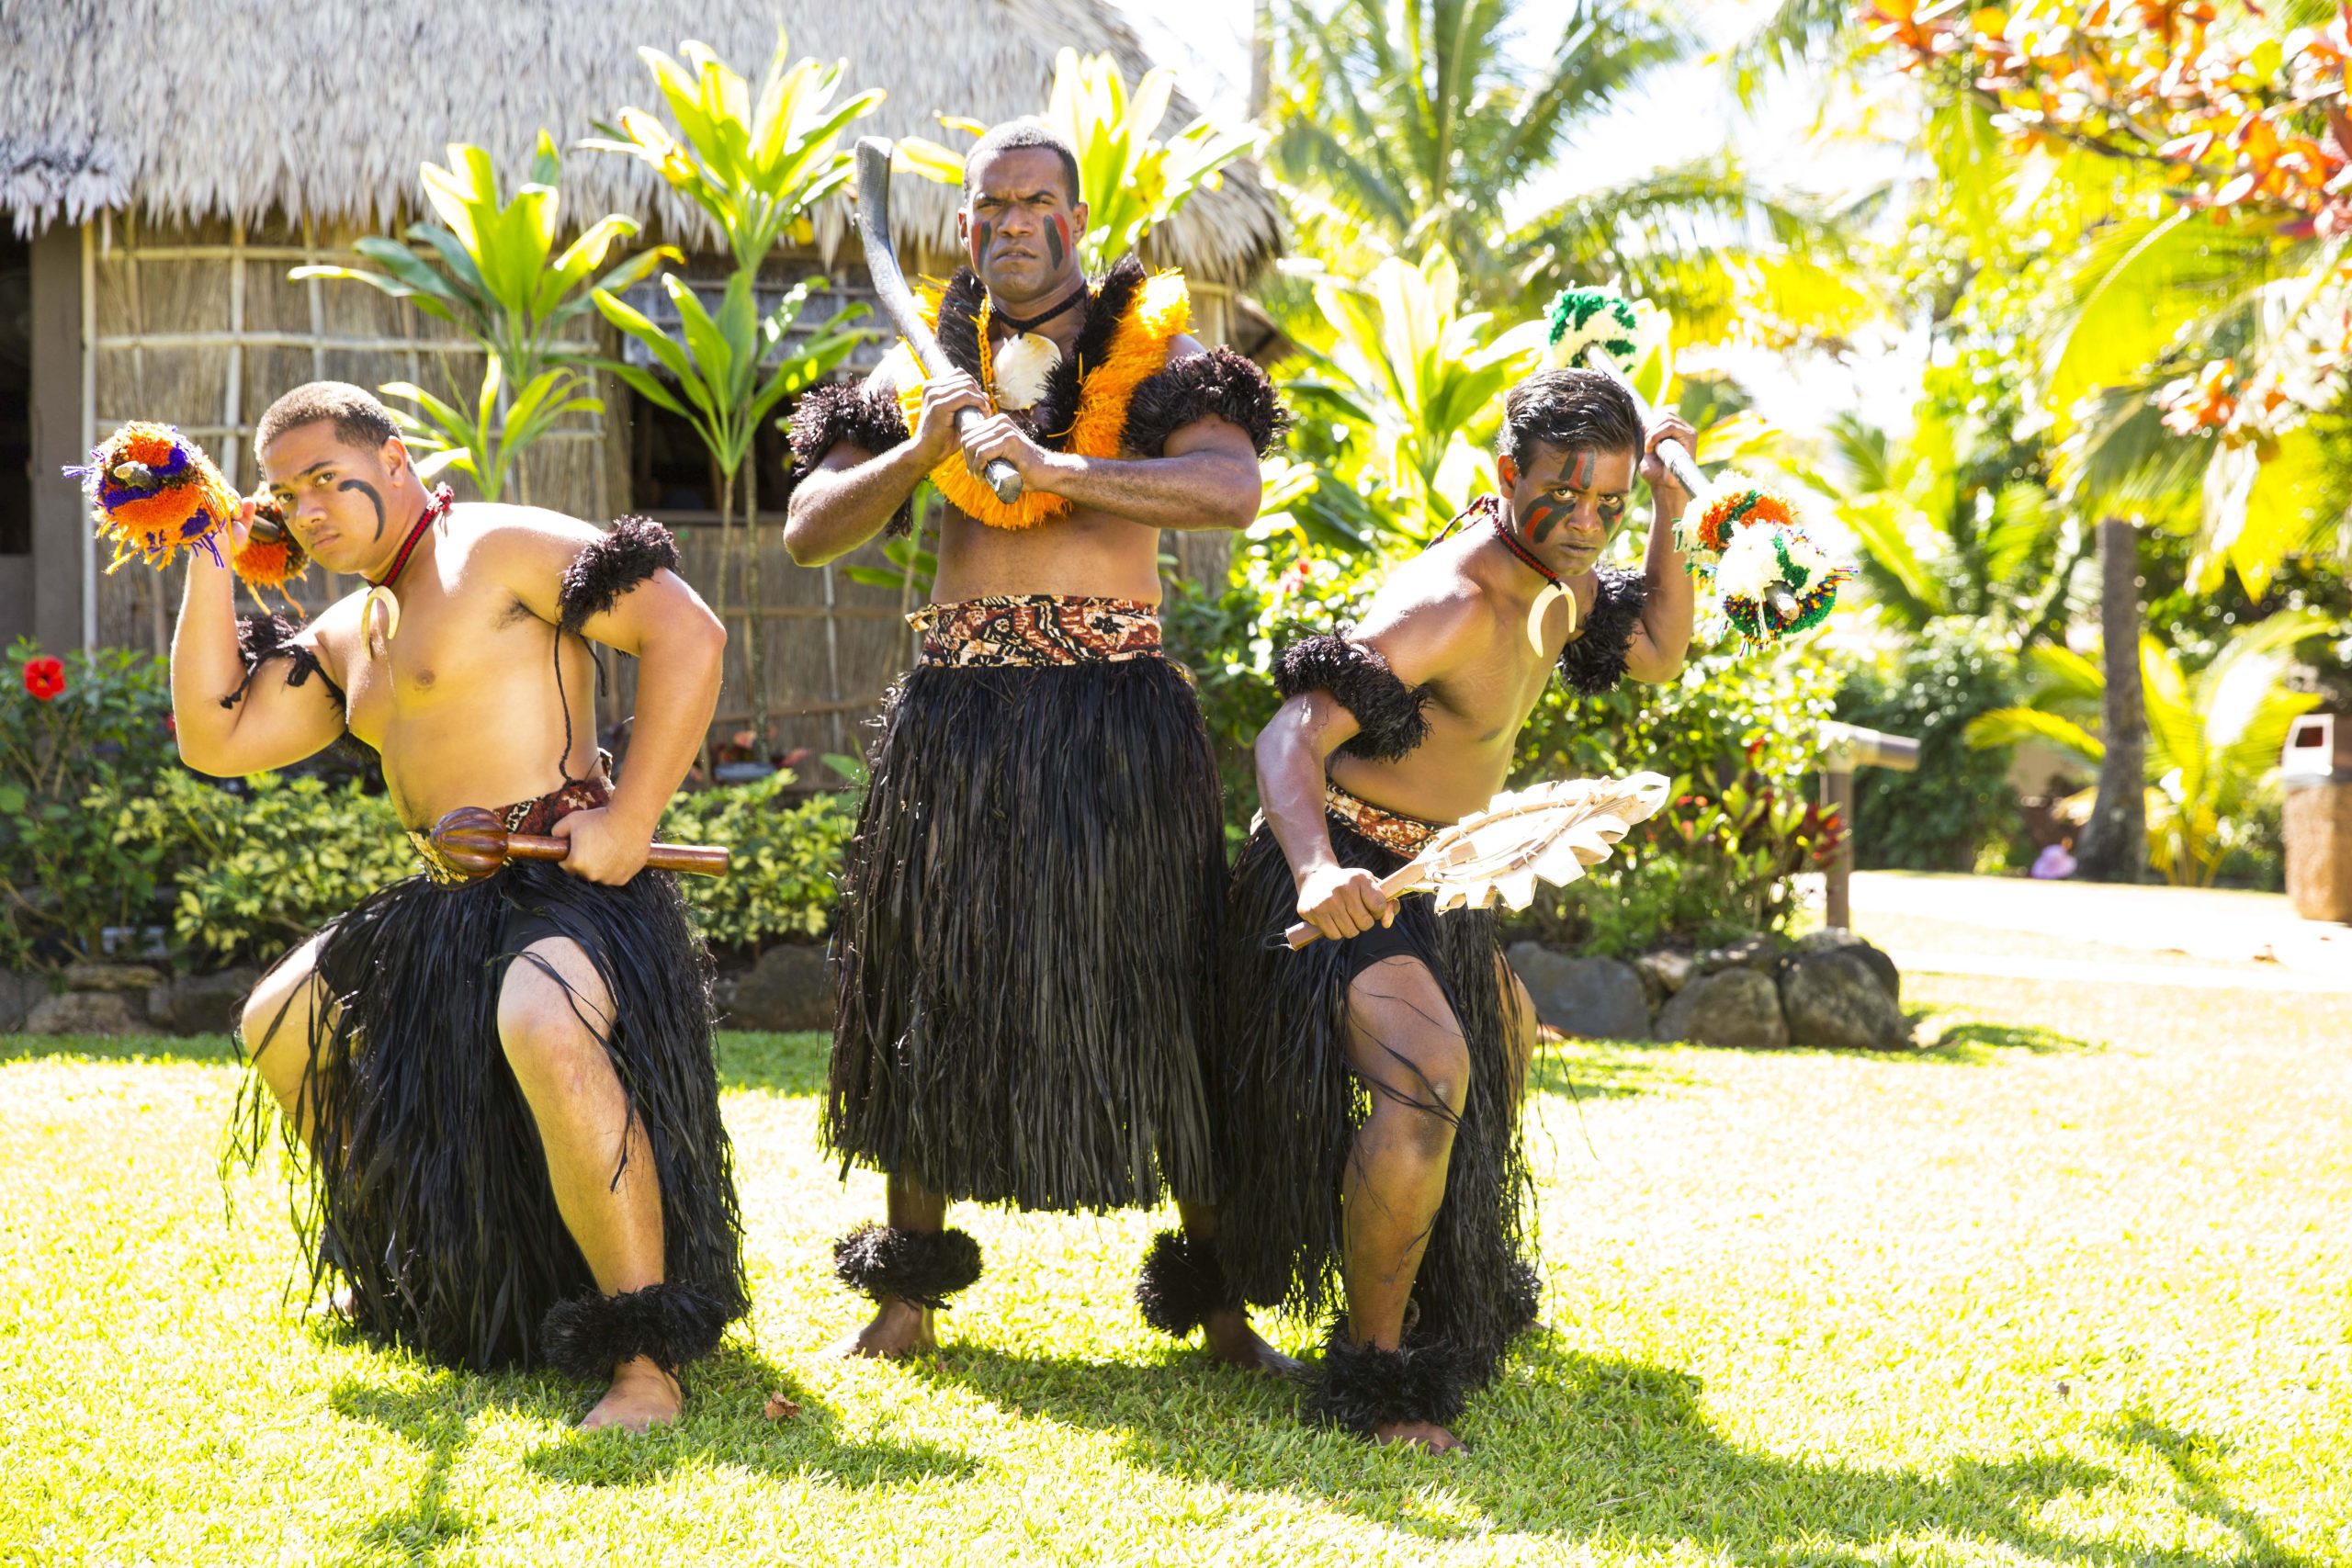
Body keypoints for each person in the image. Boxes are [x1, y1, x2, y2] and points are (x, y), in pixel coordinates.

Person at [782, 119, 1288, 1364]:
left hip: (1115, 716)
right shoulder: (917, 366)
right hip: (958, 718)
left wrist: (1060, 459)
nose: (1010, 223)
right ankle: (907, 1298)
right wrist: (923, 446)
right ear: (965, 227)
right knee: (928, 987)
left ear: (1076, 220)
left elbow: (1230, 494)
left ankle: (1218, 1304)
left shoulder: (1167, 360)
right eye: (988, 206)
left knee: (1169, 990)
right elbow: (807, 530)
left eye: (1033, 202)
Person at [177, 381, 746, 1431]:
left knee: (542, 1017)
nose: (306, 511)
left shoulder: (501, 546)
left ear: (393, 459)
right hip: (446, 910)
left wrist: (629, 817)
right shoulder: (353, 629)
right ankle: (410, 1275)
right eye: (283, 495)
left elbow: (689, 634)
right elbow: (217, 738)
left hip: (567, 887)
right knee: (282, 1021)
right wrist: (212, 551)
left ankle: (642, 1362)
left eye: (323, 480)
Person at [1216, 367, 1697, 1450]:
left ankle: (1446, 1295)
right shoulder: (1451, 602)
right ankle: (1376, 1378)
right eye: (1563, 498)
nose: (1584, 526)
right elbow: (1288, 737)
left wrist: (1668, 514)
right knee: (1431, 1075)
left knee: (1508, 1038)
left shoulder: (1566, 580)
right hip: (1341, 868)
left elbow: (1659, 653)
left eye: (1608, 506)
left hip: (1443, 875)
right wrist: (1311, 872)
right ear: (1504, 476)